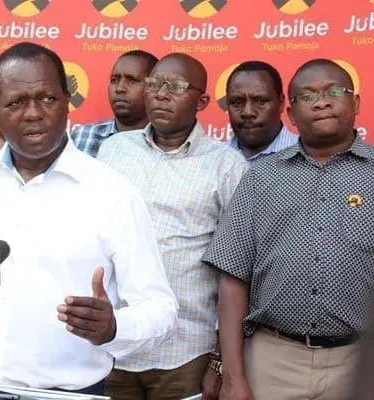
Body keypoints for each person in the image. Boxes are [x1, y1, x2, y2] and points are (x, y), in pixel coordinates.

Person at [0, 42, 178, 395]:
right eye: (16, 103)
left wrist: (114, 327)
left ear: (67, 101)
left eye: (47, 99)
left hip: (63, 392)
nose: (33, 113)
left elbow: (160, 309)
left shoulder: (112, 193)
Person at [203, 59, 370, 400]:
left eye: (334, 92)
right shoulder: (261, 178)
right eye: (308, 95)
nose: (322, 101)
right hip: (272, 359)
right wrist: (232, 377)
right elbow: (233, 281)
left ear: (355, 104)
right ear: (291, 114)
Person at [97, 53, 247, 400]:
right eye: (154, 85)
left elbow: (237, 271)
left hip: (185, 351)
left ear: (202, 101)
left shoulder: (227, 166)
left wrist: (220, 362)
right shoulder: (114, 150)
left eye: (176, 87)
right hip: (114, 343)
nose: (161, 95)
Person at [72, 50, 158, 157]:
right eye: (114, 80)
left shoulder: (166, 146)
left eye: (132, 80)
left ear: (154, 87)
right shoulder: (82, 136)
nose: (119, 88)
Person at [226, 61, 298, 162]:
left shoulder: (308, 157)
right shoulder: (212, 160)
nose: (248, 112)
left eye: (259, 101)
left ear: (281, 103)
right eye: (237, 102)